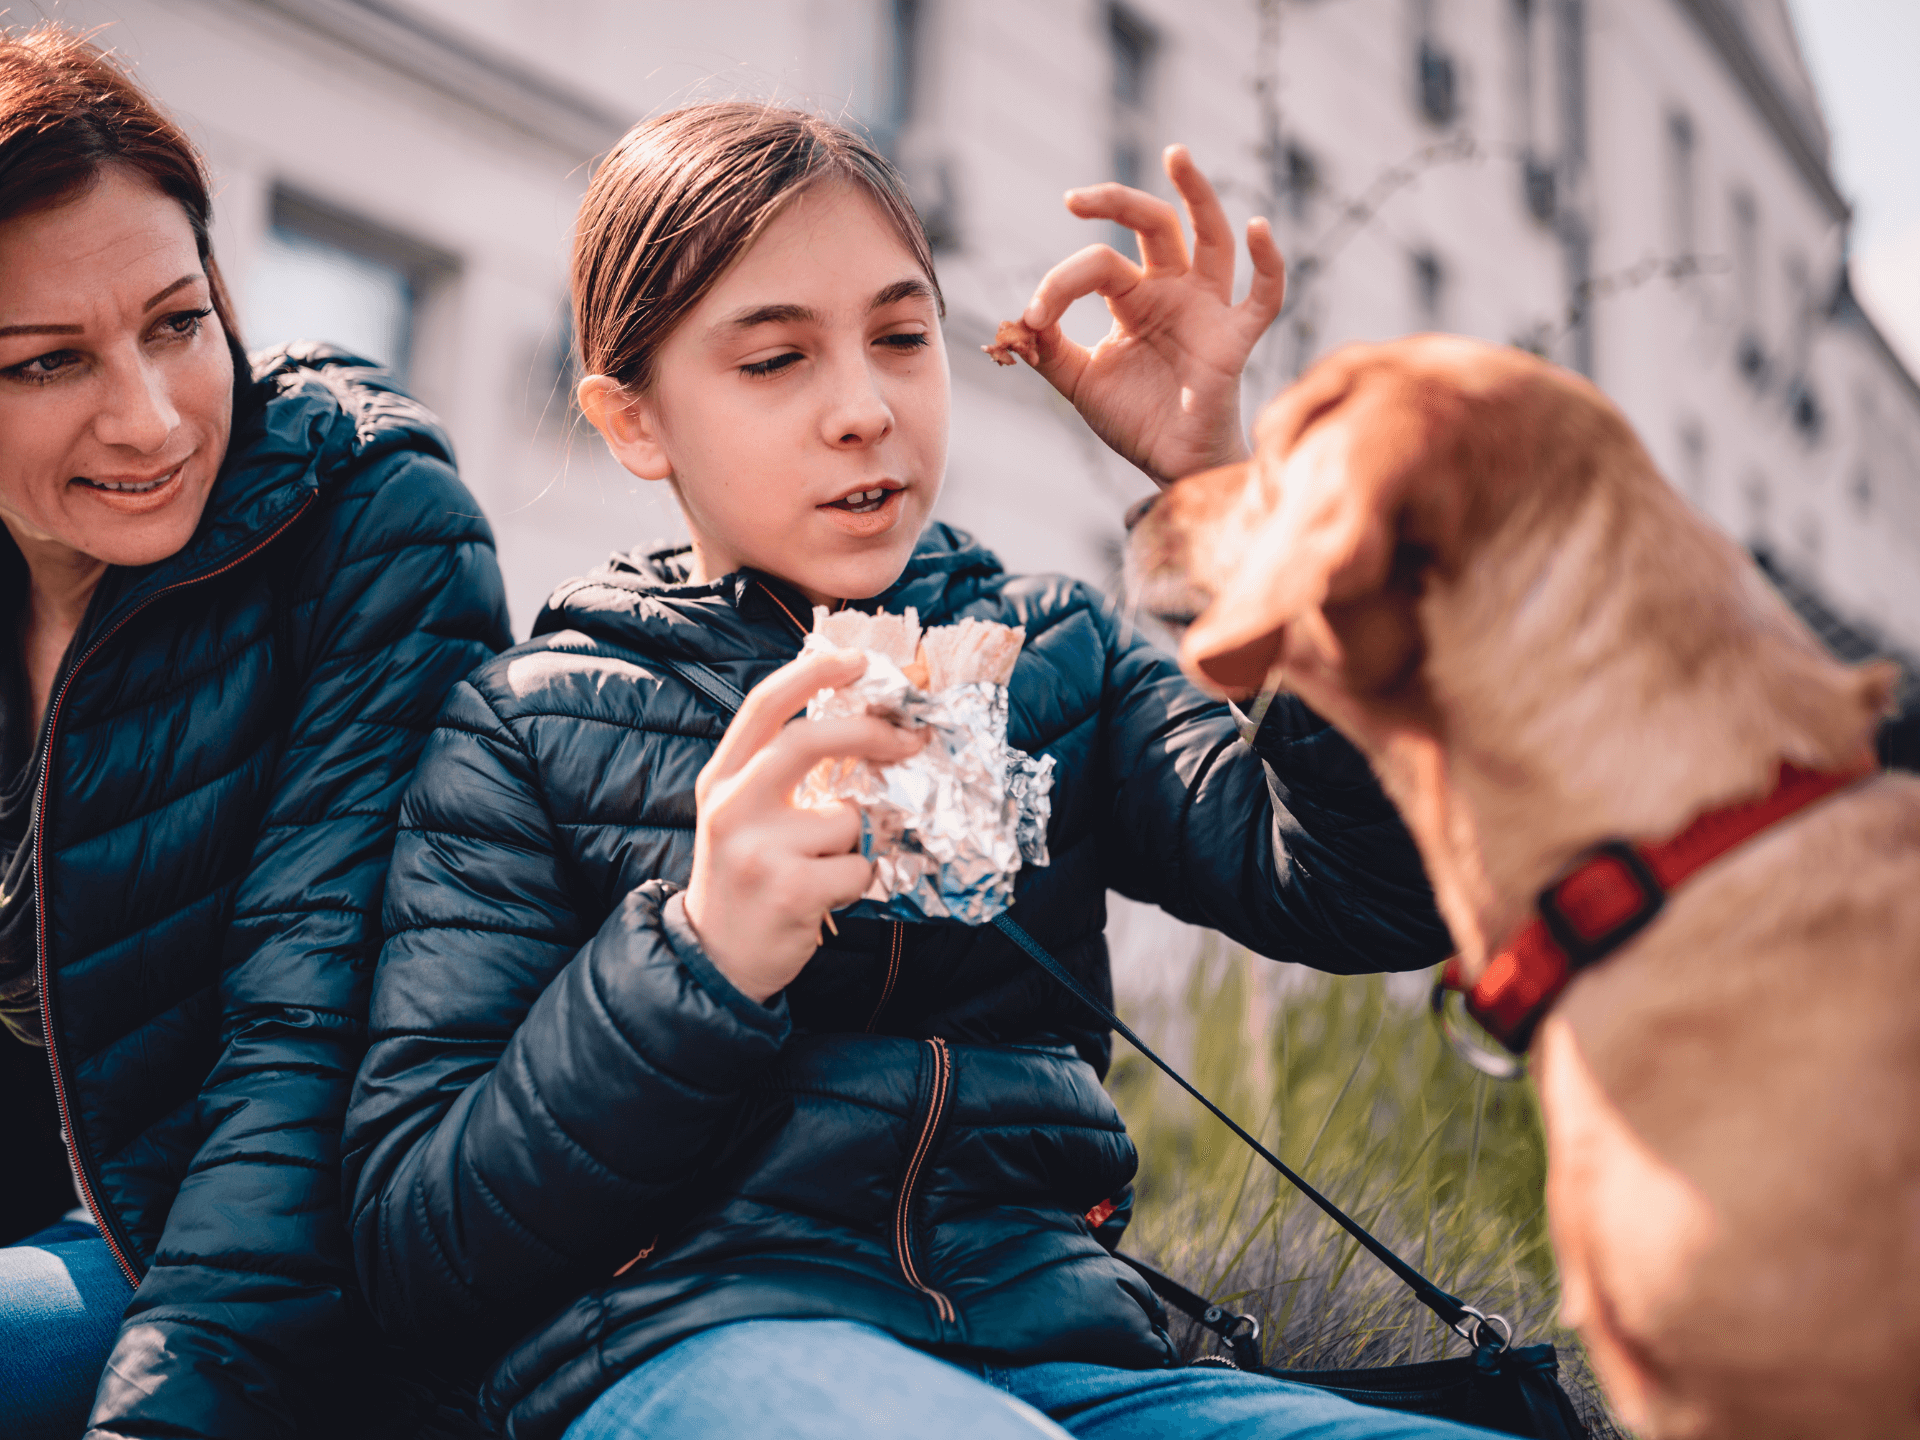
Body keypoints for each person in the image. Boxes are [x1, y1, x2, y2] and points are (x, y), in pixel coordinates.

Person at [343, 104, 1483, 1440]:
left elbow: (1375, 896)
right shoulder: (526, 729)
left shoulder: (1055, 657)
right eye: (775, 359)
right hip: (689, 1348)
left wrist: (1228, 507)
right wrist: (700, 959)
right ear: (633, 421)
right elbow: (416, 1250)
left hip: (1072, 1357)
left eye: (901, 337)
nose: (866, 411)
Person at [0, 25, 511, 1439]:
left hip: (238, 1255)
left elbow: (310, 1040)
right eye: (47, 364)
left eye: (177, 321)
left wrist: (168, 1410)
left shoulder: (369, 526)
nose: (151, 416)